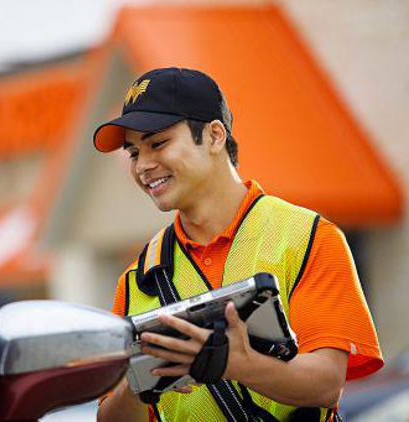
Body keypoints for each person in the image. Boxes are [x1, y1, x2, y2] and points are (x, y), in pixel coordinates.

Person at [93, 67, 383, 422]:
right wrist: (140, 385)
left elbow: (326, 382)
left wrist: (238, 365)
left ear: (215, 136)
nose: (143, 166)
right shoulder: (138, 278)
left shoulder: (308, 236)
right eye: (134, 152)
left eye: (158, 143)